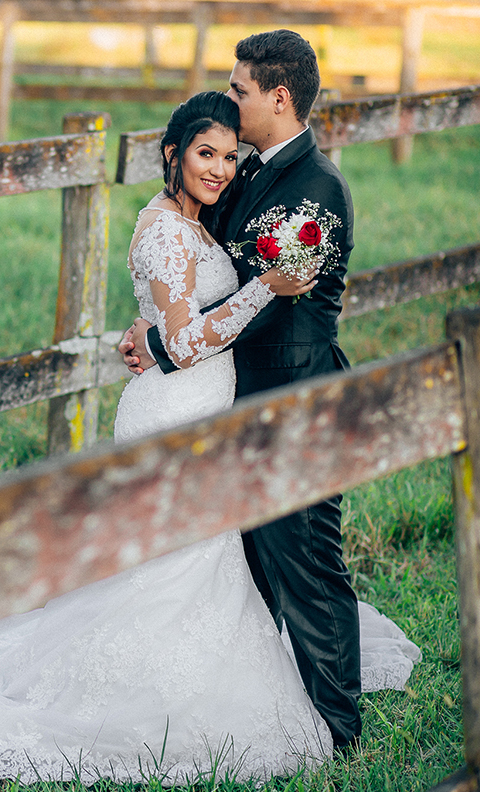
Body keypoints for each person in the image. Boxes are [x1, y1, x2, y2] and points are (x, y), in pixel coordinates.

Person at [0, 89, 420, 786]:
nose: (222, 168)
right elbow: (186, 339)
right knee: (166, 568)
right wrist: (268, 286)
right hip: (174, 411)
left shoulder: (201, 220)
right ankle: (126, 696)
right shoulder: (167, 230)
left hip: (208, 412)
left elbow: (176, 322)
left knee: (201, 563)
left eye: (231, 156)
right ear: (172, 154)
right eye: (206, 153)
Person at [122, 30, 363, 750]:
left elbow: (272, 304)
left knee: (307, 560)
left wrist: (164, 342)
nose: (230, 100)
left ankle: (340, 728)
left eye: (238, 90)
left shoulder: (317, 192)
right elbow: (195, 274)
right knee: (237, 566)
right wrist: (151, 322)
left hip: (294, 401)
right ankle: (246, 706)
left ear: (277, 97)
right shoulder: (250, 172)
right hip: (223, 400)